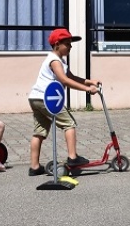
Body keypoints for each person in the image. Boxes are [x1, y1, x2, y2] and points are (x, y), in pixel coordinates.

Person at [27, 28, 100, 176]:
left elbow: (71, 77)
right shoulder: (54, 60)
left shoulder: (59, 60)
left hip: (36, 97)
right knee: (69, 124)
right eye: (67, 44)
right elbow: (64, 80)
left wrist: (89, 81)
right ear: (57, 44)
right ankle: (72, 157)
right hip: (46, 98)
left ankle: (34, 167)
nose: (70, 47)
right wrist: (87, 90)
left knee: (39, 131)